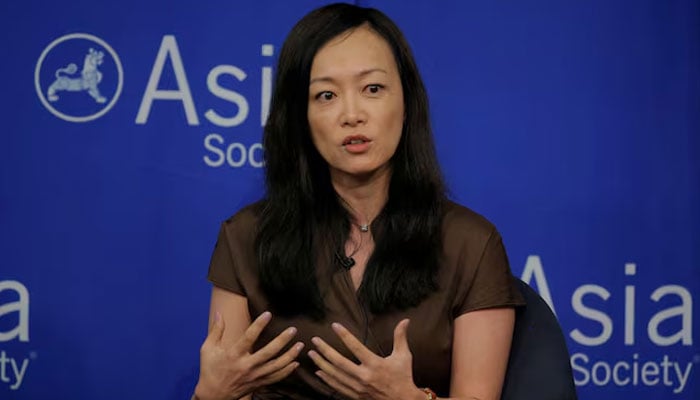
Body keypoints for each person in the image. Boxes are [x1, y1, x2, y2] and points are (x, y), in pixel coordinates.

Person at [194, 3, 524, 400]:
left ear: (406, 100)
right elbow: (226, 384)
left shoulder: (471, 244)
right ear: (300, 116)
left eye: (372, 89)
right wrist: (209, 395)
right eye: (326, 95)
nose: (352, 114)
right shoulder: (245, 238)